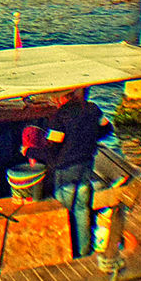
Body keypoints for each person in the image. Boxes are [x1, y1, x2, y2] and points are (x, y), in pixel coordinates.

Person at [24, 89, 113, 256]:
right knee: (82, 209)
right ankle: (84, 252)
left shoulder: (61, 116)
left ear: (62, 97)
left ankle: (66, 253)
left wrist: (29, 151)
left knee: (64, 211)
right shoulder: (93, 109)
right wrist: (88, 138)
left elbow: (51, 152)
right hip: (86, 165)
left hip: (65, 170)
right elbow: (107, 128)